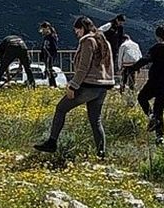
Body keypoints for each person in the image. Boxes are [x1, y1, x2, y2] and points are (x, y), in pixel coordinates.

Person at [34, 16, 114, 158]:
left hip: (88, 85)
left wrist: (73, 85)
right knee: (95, 120)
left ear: (82, 28)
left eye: (77, 31)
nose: (76, 34)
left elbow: (83, 67)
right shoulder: (103, 40)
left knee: (61, 108)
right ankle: (101, 153)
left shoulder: (88, 41)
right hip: (103, 86)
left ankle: (52, 142)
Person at [125, 24, 164, 144]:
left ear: (157, 37)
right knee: (159, 109)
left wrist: (131, 69)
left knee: (142, 97)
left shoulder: (156, 49)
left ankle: (151, 116)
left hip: (154, 82)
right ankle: (160, 137)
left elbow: (145, 60)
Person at [39, 22, 60, 87]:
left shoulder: (52, 36)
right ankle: (51, 84)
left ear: (47, 28)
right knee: (48, 69)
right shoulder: (46, 37)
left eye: (43, 29)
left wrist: (51, 54)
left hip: (50, 55)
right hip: (46, 55)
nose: (42, 30)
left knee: (49, 69)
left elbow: (54, 47)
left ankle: (53, 85)